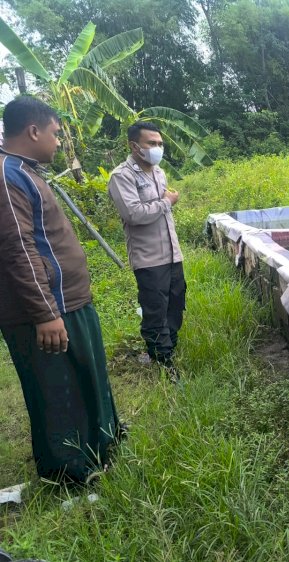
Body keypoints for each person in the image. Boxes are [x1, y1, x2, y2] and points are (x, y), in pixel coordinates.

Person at [0, 96, 121, 483]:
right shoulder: (7, 176)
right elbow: (19, 248)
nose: (57, 142)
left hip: (69, 302)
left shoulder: (26, 170)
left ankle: (101, 447)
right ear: (33, 131)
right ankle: (70, 471)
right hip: (48, 309)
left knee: (88, 377)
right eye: (55, 133)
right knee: (58, 390)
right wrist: (45, 313)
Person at [107, 122, 185, 380]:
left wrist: (164, 201)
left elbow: (159, 208)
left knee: (175, 302)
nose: (157, 148)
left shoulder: (159, 172)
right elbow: (134, 214)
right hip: (149, 258)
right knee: (155, 308)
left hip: (172, 253)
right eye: (151, 143)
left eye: (160, 144)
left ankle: (168, 348)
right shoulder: (122, 176)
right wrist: (166, 202)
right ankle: (162, 361)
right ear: (134, 146)